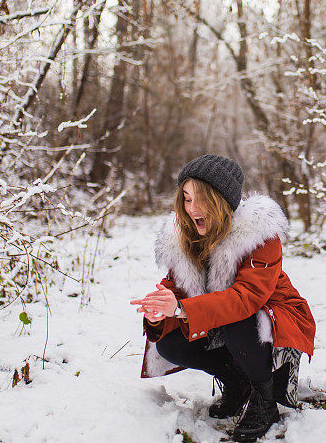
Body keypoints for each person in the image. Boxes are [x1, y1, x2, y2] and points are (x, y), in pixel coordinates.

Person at [130, 154, 315, 442]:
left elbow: (246, 298)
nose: (193, 209)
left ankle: (264, 399)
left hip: (274, 318)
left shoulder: (259, 235)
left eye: (201, 199)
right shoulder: (184, 237)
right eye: (187, 199)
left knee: (239, 320)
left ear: (222, 200)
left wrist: (180, 308)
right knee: (167, 341)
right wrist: (160, 311)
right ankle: (236, 380)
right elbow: (176, 290)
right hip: (225, 317)